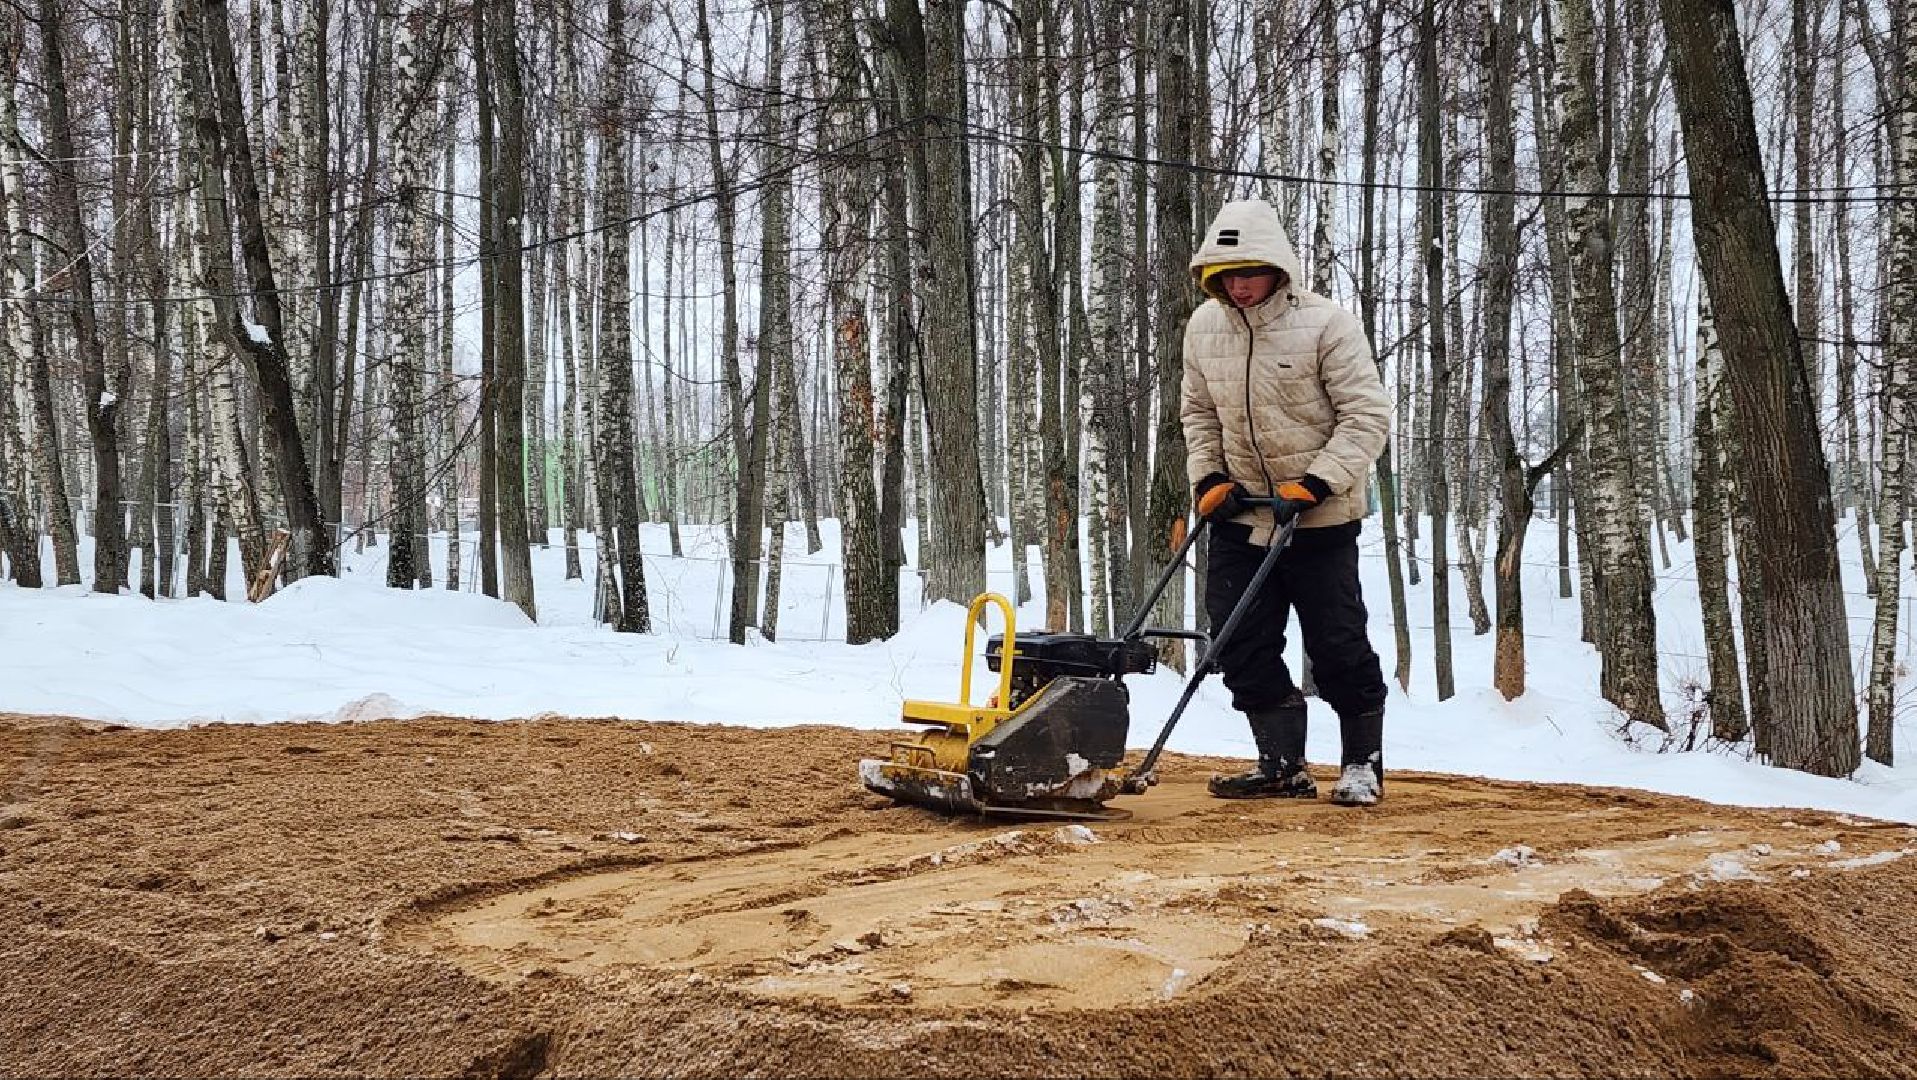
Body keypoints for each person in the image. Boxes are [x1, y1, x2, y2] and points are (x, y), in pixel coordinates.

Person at [1181, 198, 1392, 806]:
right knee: (1236, 640)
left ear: (1277, 268)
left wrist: (1319, 480)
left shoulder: (1327, 324)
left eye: (1249, 273)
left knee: (1336, 642)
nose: (1239, 287)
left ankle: (1361, 764)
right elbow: (1198, 413)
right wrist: (1209, 479)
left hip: (1318, 517)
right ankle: (1280, 763)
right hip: (1242, 514)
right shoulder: (1204, 327)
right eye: (1226, 277)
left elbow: (1366, 413)